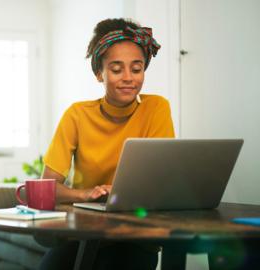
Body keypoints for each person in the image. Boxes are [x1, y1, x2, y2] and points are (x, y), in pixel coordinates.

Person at [39, 18, 174, 270]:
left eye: (136, 69)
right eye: (116, 69)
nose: (128, 78)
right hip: (83, 231)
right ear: (99, 73)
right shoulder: (77, 115)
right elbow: (47, 187)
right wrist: (85, 194)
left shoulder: (157, 108)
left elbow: (160, 181)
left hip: (135, 233)